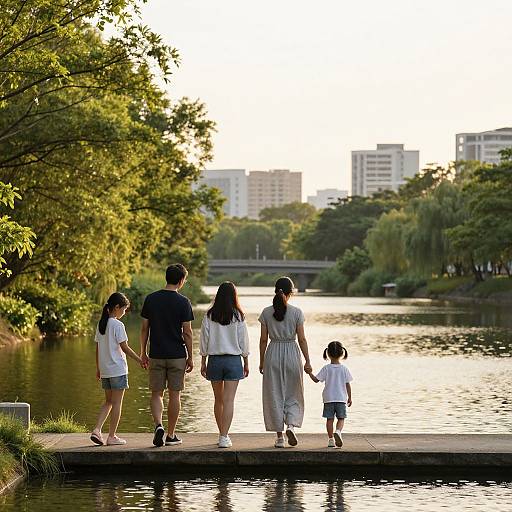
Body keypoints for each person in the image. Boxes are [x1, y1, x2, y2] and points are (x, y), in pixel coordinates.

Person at [140, 264, 194, 447]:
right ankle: (170, 435)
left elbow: (144, 328)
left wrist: (143, 352)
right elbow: (187, 332)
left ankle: (158, 426)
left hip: (156, 353)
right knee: (175, 395)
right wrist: (190, 356)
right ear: (181, 281)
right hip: (177, 355)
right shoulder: (184, 302)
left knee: (156, 394)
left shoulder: (151, 299)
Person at [259, 276, 312, 448]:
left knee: (274, 394)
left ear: (275, 291)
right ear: (291, 292)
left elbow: (262, 340)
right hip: (291, 352)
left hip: (273, 353)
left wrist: (261, 362)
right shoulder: (297, 312)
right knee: (294, 393)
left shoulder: (266, 312)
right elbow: (302, 339)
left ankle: (280, 438)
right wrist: (308, 361)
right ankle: (291, 426)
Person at [200, 282, 250, 448]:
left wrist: (203, 361)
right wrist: (246, 361)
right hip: (234, 360)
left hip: (214, 360)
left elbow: (204, 340)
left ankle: (221, 434)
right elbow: (244, 342)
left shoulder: (209, 315)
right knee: (229, 401)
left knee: (218, 400)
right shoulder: (239, 316)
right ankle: (224, 436)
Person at [90, 292, 143, 446]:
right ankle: (112, 436)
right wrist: (140, 359)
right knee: (117, 403)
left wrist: (98, 368)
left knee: (108, 402)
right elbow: (124, 347)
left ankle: (97, 429)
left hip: (105, 370)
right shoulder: (118, 325)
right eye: (124, 310)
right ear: (117, 307)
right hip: (118, 370)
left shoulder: (101, 324)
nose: (124, 313)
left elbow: (98, 349)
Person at [307, 341, 353, 448]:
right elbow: (348, 385)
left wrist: (309, 372)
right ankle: (338, 431)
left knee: (329, 419)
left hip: (328, 399)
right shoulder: (344, 369)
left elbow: (316, 380)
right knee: (341, 418)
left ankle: (331, 439)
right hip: (341, 399)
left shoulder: (326, 368)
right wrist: (350, 397)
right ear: (342, 353)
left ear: (328, 353)